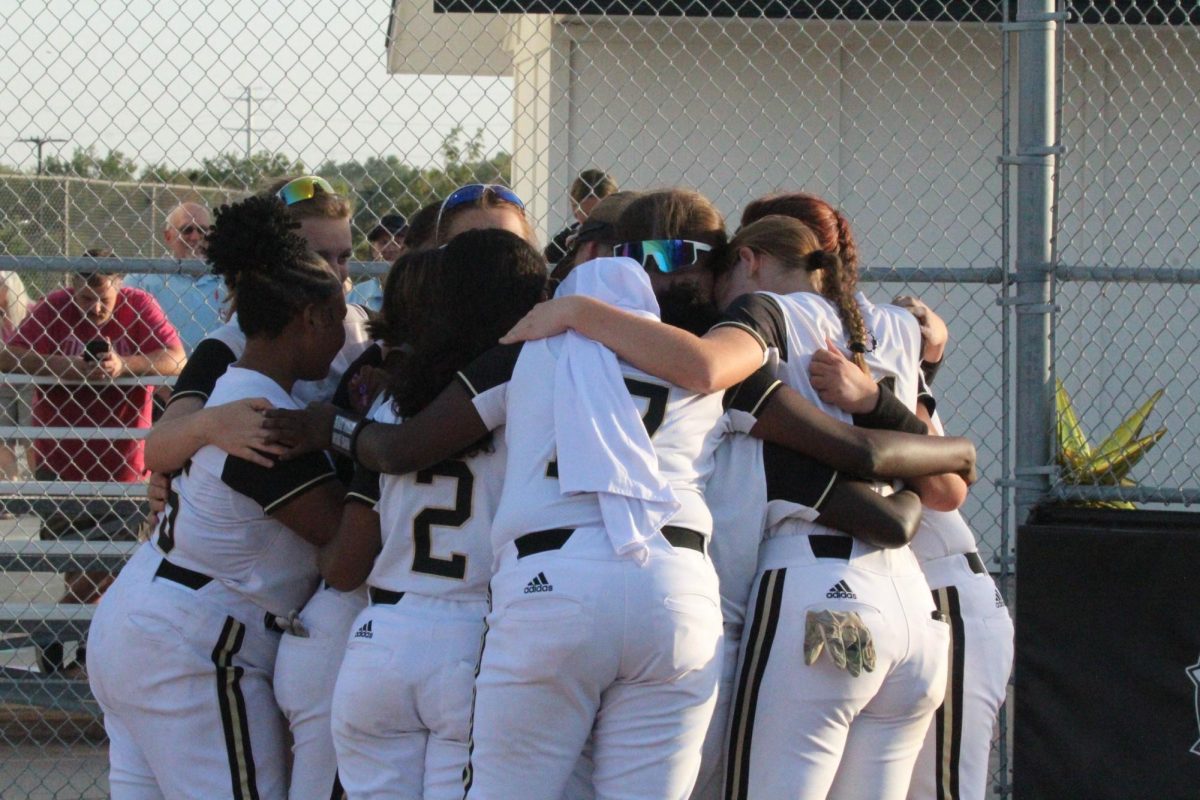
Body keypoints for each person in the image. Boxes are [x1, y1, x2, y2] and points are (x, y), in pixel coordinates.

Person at [500, 208, 963, 800]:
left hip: (814, 588)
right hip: (911, 606)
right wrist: (936, 438)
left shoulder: (761, 316)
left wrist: (576, 311)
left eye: (724, 273)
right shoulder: (893, 324)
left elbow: (707, 367)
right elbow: (940, 492)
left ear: (749, 261)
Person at [85, 193, 347, 800]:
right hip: (199, 643)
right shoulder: (260, 410)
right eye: (335, 313)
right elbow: (345, 542)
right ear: (305, 316)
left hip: (148, 615)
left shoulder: (243, 381)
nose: (345, 323)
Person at [323, 230, 547, 799]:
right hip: (473, 636)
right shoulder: (529, 389)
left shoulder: (391, 399)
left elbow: (345, 564)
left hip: (382, 638)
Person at [804, 304, 1013, 800]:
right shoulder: (805, 345)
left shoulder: (879, 352)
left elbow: (945, 485)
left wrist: (887, 389)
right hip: (883, 597)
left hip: (948, 593)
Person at [0, 263, 184, 674]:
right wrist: (62, 368)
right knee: (77, 562)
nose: (96, 308)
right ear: (72, 288)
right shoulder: (53, 307)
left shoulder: (139, 304)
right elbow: (7, 353)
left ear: (120, 286)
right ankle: (81, 650)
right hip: (60, 457)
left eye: (105, 298)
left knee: (116, 559)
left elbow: (175, 357)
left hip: (121, 460)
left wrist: (123, 366)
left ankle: (52, 630)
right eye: (86, 298)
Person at [125, 202, 223, 354]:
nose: (195, 237)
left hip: (221, 373)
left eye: (203, 230)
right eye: (187, 230)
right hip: (162, 375)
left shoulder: (228, 280)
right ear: (168, 236)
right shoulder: (143, 279)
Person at [545, 169, 619, 269]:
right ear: (575, 211)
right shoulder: (568, 239)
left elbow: (648, 247)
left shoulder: (627, 232)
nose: (594, 225)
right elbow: (544, 264)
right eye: (587, 216)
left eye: (601, 215)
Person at [0, 270, 30, 483]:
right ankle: (11, 486)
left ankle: (41, 487)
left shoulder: (32, 312)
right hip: (2, 383)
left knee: (34, 437)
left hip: (30, 381)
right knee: (1, 439)